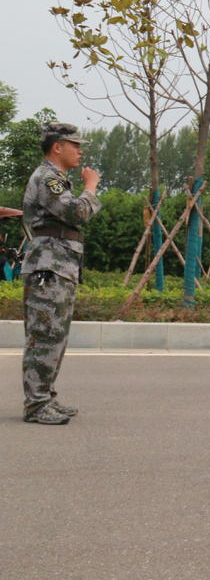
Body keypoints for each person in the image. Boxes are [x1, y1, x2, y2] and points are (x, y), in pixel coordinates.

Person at [21, 122, 101, 425]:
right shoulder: (48, 178)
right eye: (74, 145)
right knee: (45, 336)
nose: (80, 151)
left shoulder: (56, 179)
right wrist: (90, 187)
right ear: (57, 147)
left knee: (54, 336)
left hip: (58, 267)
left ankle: (46, 397)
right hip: (49, 268)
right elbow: (77, 213)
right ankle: (36, 405)